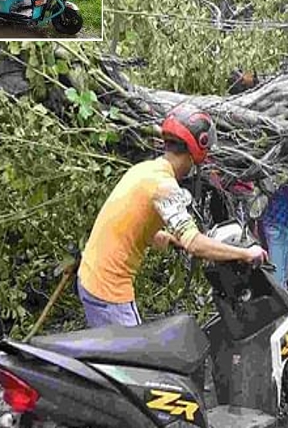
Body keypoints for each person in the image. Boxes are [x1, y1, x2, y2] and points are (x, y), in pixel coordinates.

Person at [76, 105, 267, 328]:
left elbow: (133, 223)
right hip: (108, 290)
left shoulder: (145, 170)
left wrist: (169, 238)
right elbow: (194, 243)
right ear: (199, 148)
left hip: (90, 278)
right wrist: (245, 253)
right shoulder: (163, 185)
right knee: (140, 359)